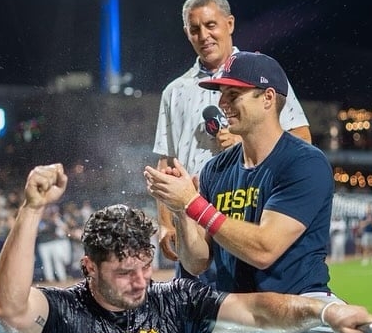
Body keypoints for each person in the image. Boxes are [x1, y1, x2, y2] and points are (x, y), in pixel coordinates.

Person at [0, 164, 372, 333]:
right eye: (124, 273)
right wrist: (32, 208)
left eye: (145, 266)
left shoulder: (174, 299)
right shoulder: (65, 311)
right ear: (88, 266)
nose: (141, 281)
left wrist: (324, 310)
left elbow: (259, 311)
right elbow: (9, 307)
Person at [145, 51, 339, 300]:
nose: (222, 103)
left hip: (298, 307)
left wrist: (193, 204)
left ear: (268, 98)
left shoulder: (305, 162)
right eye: (222, 94)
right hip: (239, 311)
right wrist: (181, 210)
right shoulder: (216, 169)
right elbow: (197, 262)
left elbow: (265, 249)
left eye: (234, 94)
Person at [153, 0, 312, 284]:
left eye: (211, 25)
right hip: (193, 225)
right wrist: (165, 224)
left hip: (247, 214)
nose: (204, 35)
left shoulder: (262, 75)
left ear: (230, 23)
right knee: (194, 317)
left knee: (253, 313)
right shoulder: (174, 91)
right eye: (194, 29)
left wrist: (250, 144)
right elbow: (168, 162)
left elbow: (302, 139)